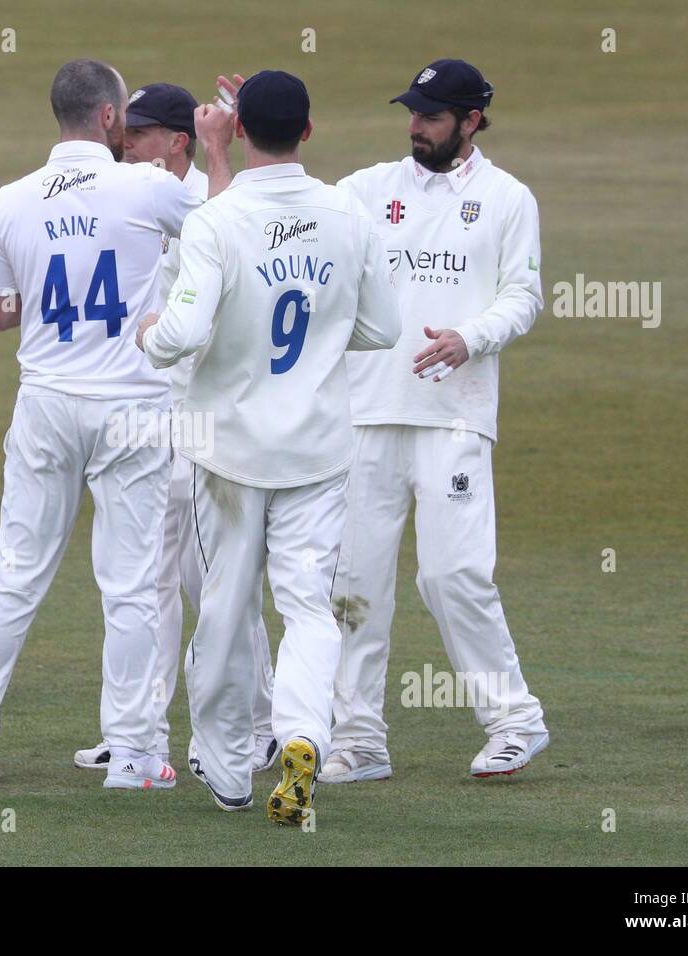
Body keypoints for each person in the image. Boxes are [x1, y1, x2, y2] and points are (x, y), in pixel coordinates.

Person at [0, 59, 232, 791]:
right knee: (129, 585)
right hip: (130, 405)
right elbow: (230, 229)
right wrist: (221, 147)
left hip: (44, 403)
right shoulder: (145, 184)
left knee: (14, 575)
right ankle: (133, 756)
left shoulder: (11, 198)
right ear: (109, 119)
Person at [138, 70, 401, 823]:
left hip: (229, 450)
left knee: (225, 605)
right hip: (317, 450)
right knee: (309, 607)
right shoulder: (347, 212)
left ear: (240, 133)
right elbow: (383, 329)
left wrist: (149, 333)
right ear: (309, 133)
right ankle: (304, 734)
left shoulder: (217, 220)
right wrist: (321, 335)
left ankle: (226, 773)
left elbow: (183, 332)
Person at [323, 59, 549, 784]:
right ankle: (358, 740)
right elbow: (289, 221)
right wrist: (226, 151)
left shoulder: (508, 199)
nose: (416, 127)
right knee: (354, 582)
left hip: (454, 414)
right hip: (366, 412)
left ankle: (515, 721)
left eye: (432, 116)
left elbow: (525, 295)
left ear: (472, 121)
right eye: (413, 114)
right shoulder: (366, 190)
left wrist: (468, 337)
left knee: (452, 574)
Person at [72, 82, 277, 774]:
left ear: (177, 143)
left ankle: (260, 724)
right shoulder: (128, 196)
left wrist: (234, 143)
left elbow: (235, 245)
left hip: (202, 424)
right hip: (140, 422)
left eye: (136, 134)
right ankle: (137, 729)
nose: (121, 144)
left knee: (218, 579)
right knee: (144, 578)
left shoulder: (210, 201)